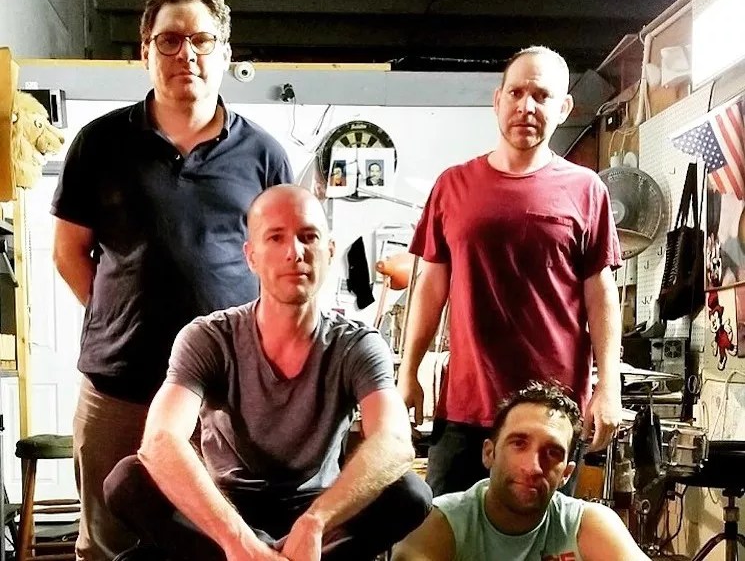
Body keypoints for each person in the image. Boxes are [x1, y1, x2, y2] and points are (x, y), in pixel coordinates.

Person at [50, 0, 293, 558]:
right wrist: (118, 314)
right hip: (118, 388)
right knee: (107, 543)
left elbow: (284, 269)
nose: (187, 53)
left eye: (202, 39)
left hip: (223, 398)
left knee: (214, 541)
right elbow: (69, 253)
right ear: (146, 52)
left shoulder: (264, 156)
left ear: (225, 52)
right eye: (170, 40)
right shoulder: (99, 143)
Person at [103, 185, 433, 561]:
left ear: (329, 251)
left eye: (308, 237)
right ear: (251, 256)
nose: (295, 252)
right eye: (276, 238)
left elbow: (394, 441)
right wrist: (238, 541)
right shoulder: (209, 337)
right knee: (127, 482)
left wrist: (316, 522)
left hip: (318, 515)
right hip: (225, 510)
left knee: (410, 494)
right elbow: (161, 440)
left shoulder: (357, 344)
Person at [397, 45, 623, 496]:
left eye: (541, 96)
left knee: (544, 533)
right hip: (466, 408)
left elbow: (601, 295)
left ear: (564, 108)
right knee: (447, 528)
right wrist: (409, 370)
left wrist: (609, 386)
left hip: (552, 415)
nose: (526, 106)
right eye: (516, 93)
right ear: (497, 100)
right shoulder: (453, 185)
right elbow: (431, 286)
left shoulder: (586, 190)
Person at [392, 382, 649, 561]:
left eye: (552, 452)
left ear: (567, 474)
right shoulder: (440, 525)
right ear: (489, 453)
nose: (533, 467)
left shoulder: (586, 524)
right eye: (518, 444)